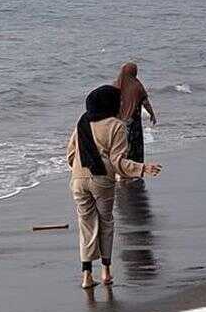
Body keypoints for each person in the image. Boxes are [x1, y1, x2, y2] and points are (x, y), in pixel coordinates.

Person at [67, 85, 163, 289]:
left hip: (77, 179)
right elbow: (118, 161)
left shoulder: (81, 123)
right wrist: (143, 168)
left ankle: (86, 275)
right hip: (101, 180)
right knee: (106, 223)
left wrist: (80, 171)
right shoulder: (116, 125)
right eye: (118, 101)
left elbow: (70, 155)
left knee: (86, 225)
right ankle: (106, 271)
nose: (120, 104)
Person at [115, 62, 156, 163]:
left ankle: (120, 165)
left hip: (118, 120)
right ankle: (135, 166)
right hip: (133, 121)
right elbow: (145, 102)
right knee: (135, 144)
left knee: (120, 144)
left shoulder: (116, 85)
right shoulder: (137, 86)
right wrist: (152, 114)